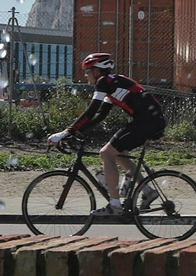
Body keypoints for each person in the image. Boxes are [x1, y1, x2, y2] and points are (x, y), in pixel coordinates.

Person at [47, 52, 167, 217]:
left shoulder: (104, 82)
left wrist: (66, 132)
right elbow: (100, 116)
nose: (86, 75)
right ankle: (148, 191)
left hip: (146, 121)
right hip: (150, 120)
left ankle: (115, 205)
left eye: (88, 71)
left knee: (106, 153)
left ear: (97, 71)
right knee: (119, 154)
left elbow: (91, 110)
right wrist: (77, 132)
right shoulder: (113, 83)